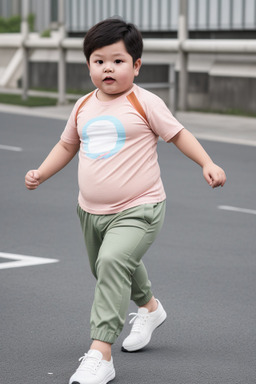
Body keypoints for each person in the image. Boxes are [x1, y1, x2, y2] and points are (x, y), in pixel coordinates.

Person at [25, 18, 226, 384]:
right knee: (107, 268)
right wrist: (41, 172)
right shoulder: (83, 105)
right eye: (99, 61)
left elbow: (178, 134)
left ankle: (100, 353)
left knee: (113, 261)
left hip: (141, 207)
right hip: (90, 210)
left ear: (136, 65)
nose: (108, 68)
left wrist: (207, 162)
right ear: (88, 65)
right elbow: (67, 145)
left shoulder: (144, 102)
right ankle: (150, 308)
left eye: (118, 61)